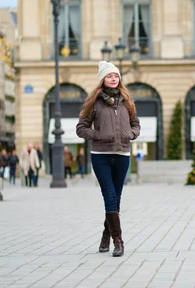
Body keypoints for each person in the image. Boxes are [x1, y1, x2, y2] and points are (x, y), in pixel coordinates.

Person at [76, 61, 140, 257]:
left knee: (116, 198)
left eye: (116, 76)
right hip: (101, 156)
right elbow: (81, 128)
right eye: (109, 76)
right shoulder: (94, 102)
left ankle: (106, 234)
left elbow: (135, 123)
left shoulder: (127, 101)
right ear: (102, 79)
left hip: (122, 155)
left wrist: (132, 133)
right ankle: (118, 241)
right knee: (110, 196)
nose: (114, 79)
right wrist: (99, 135)